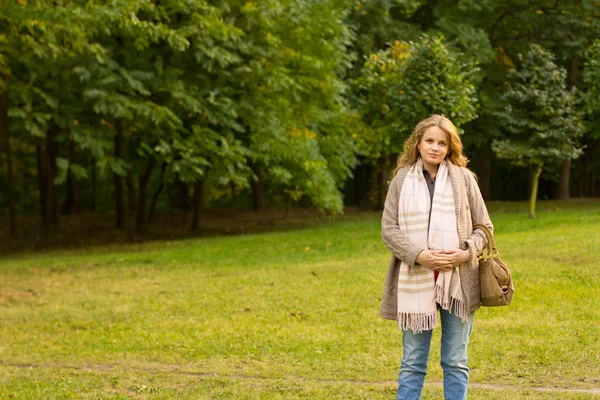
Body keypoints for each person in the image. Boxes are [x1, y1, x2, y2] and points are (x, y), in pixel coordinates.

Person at [380, 114, 493, 400]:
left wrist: (465, 253)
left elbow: (484, 228)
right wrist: (419, 255)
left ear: (450, 146)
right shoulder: (401, 180)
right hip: (415, 280)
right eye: (429, 141)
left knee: (455, 361)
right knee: (412, 364)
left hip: (458, 284)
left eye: (442, 143)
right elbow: (389, 230)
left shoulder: (464, 179)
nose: (435, 147)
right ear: (417, 143)